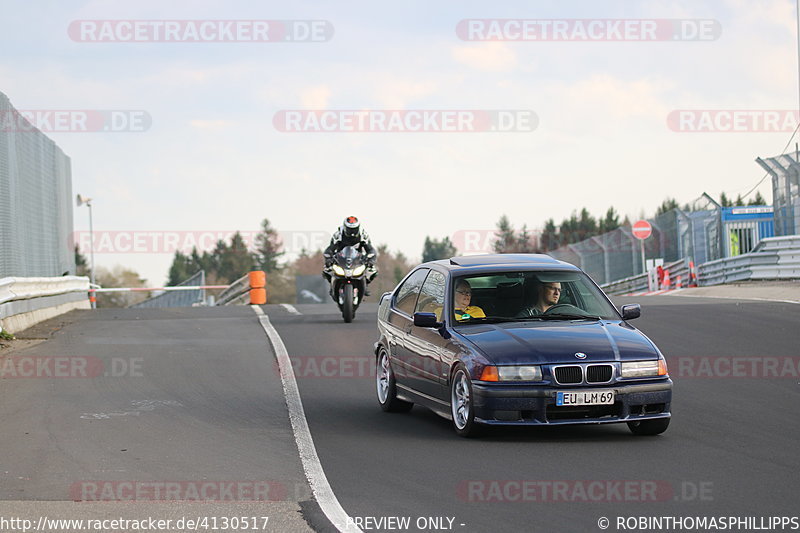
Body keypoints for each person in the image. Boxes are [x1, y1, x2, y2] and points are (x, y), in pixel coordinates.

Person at [322, 216, 378, 291]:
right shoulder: (338, 235)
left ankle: (365, 285)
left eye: (354, 229)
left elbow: (371, 250)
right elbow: (330, 249)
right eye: (350, 229)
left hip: (357, 260)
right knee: (327, 270)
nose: (352, 232)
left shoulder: (363, 235)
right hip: (340, 260)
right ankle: (332, 286)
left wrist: (370, 260)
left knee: (372, 270)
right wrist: (329, 259)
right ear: (345, 228)